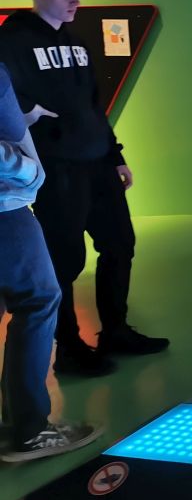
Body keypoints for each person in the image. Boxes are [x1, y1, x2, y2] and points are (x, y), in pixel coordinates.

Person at [0, 0, 168, 378]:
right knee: (65, 258)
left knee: (120, 244)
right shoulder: (13, 39)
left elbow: (94, 106)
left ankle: (116, 331)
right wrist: (27, 111)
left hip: (97, 164)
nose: (74, 1)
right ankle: (70, 348)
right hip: (56, 168)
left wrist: (115, 155)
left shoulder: (77, 42)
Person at [0, 64, 102, 462]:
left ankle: (20, 423)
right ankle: (30, 431)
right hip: (5, 208)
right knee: (38, 300)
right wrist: (28, 170)